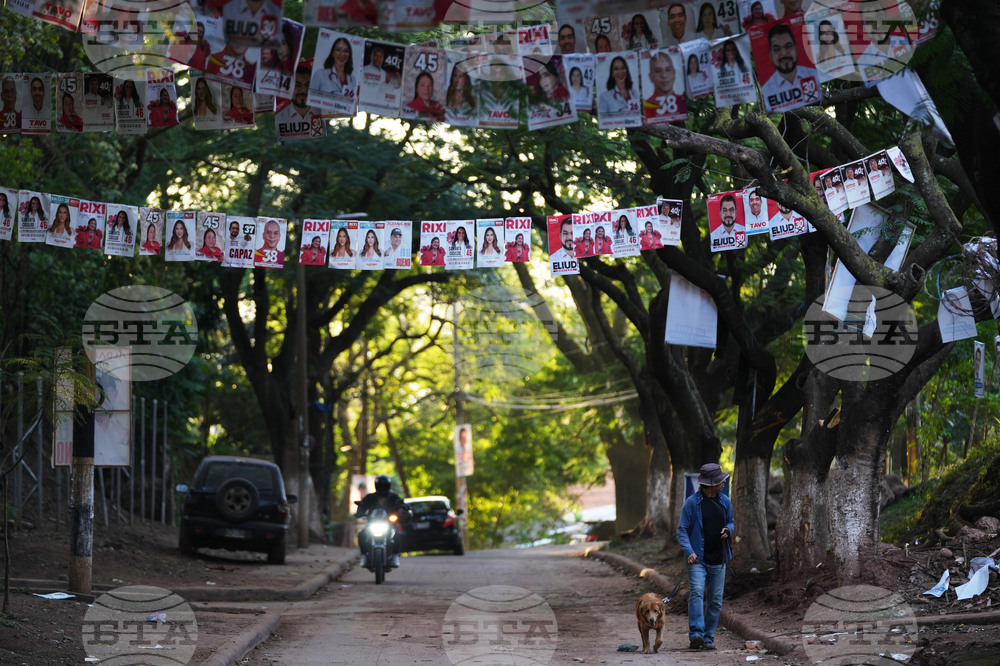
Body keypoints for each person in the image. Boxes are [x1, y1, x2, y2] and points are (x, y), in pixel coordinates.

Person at [677, 463, 734, 651]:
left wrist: (728, 530)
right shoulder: (692, 503)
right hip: (698, 559)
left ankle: (708, 637)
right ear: (710, 484)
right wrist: (689, 551)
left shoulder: (724, 501)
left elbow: (730, 522)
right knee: (696, 593)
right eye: (720, 481)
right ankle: (696, 635)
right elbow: (682, 530)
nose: (724, 482)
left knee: (716, 600)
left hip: (719, 558)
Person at [760, 23, 820, 110]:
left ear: (796, 49)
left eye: (788, 46)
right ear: (770, 55)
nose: (784, 53)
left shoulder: (814, 74)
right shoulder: (767, 88)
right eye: (777, 49)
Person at [355, 474, 410, 568]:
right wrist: (360, 512)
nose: (382, 488)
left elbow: (401, 504)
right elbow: (363, 505)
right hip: (372, 523)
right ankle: (364, 556)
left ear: (388, 486)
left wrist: (402, 509)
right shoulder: (370, 497)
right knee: (362, 535)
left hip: (389, 524)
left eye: (384, 486)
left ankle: (395, 555)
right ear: (376, 486)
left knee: (397, 534)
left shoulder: (393, 497)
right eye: (380, 485)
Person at [643, 51, 684, 121]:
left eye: (668, 70)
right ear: (651, 77)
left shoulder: (681, 100)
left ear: (674, 73)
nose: (664, 75)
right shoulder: (649, 104)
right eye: (658, 71)